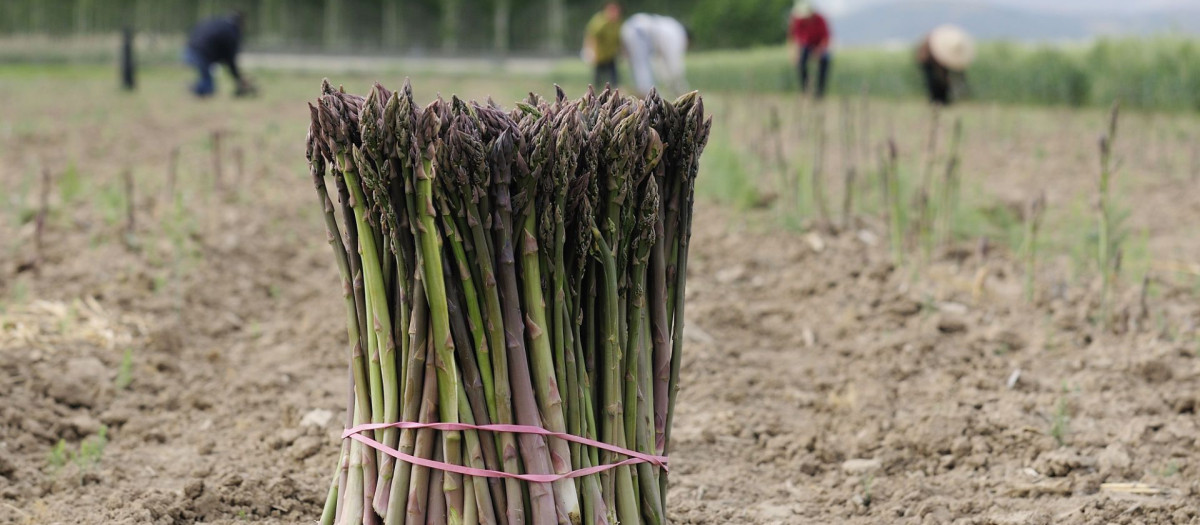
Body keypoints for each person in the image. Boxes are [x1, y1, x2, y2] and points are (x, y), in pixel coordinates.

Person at [184, 11, 254, 97]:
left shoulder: (219, 22)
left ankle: (195, 87)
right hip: (200, 54)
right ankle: (193, 88)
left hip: (190, 49)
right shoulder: (231, 32)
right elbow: (230, 60)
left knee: (207, 81)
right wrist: (238, 78)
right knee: (208, 88)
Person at [620, 13, 689, 96]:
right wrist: (680, 87)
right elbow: (673, 63)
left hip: (628, 28)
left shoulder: (671, 26)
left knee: (638, 67)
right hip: (639, 32)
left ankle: (643, 93)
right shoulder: (676, 33)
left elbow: (661, 63)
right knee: (643, 67)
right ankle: (649, 96)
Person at [916, 25, 975, 105]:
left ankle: (943, 100)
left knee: (942, 81)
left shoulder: (944, 50)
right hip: (928, 62)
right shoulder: (930, 49)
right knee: (933, 81)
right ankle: (936, 100)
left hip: (937, 62)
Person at [789, 1, 831, 99]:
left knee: (825, 60)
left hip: (819, 46)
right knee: (801, 63)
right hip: (806, 47)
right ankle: (805, 89)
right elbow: (796, 39)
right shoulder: (799, 22)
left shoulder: (820, 20)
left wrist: (819, 50)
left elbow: (826, 38)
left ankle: (820, 92)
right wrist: (796, 54)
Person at [583, 2, 623, 89]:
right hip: (599, 55)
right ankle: (595, 95)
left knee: (614, 78)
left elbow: (619, 38)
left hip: (610, 55)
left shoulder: (617, 23)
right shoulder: (600, 21)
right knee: (598, 79)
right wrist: (589, 51)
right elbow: (591, 36)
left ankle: (615, 94)